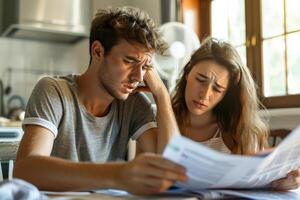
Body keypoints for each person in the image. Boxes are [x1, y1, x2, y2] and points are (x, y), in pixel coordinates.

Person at [13, 7, 187, 195]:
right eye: (129, 61)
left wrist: (161, 95)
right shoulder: (54, 91)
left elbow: (170, 170)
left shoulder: (134, 104)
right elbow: (25, 171)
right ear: (97, 51)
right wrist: (117, 174)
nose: (138, 76)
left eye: (146, 67)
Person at [171, 37, 300, 190]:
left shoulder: (239, 128)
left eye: (217, 89)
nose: (204, 95)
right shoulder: (163, 119)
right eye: (200, 80)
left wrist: (285, 181)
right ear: (188, 72)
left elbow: (255, 181)